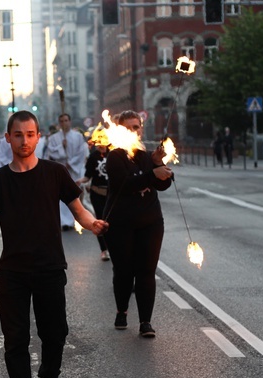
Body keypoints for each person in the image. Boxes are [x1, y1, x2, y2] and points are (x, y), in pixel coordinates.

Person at [0, 110, 109, 378]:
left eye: (30, 134)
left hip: (49, 268)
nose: (24, 140)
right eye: (18, 135)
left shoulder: (55, 173)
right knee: (15, 340)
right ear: (8, 138)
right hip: (12, 272)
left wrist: (93, 224)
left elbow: (78, 210)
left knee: (55, 333)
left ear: (38, 137)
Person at [103, 110, 173, 338]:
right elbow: (125, 184)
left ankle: (145, 322)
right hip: (121, 223)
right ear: (120, 129)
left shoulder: (148, 155)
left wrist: (161, 168)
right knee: (124, 271)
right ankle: (121, 310)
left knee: (146, 271)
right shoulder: (115, 156)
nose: (135, 130)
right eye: (130, 127)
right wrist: (154, 173)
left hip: (150, 222)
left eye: (137, 126)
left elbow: (163, 184)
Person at [46, 113, 89, 229]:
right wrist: (61, 146)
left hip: (73, 169)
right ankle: (64, 221)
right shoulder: (53, 138)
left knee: (73, 195)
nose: (64, 123)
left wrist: (71, 163)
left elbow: (81, 152)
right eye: (62, 121)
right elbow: (52, 152)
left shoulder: (78, 136)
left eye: (66, 120)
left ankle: (74, 218)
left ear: (70, 121)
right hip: (60, 169)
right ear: (59, 123)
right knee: (61, 196)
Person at [77, 141, 111, 261]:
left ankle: (113, 247)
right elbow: (88, 176)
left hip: (112, 195)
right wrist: (80, 181)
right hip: (97, 194)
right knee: (100, 222)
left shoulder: (113, 154)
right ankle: (104, 250)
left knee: (113, 221)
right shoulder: (93, 157)